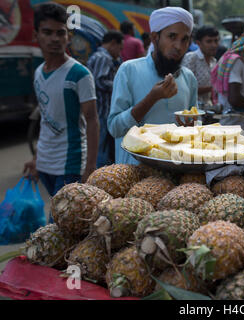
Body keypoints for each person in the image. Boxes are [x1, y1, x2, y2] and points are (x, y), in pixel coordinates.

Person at [23, 3, 99, 219]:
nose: (54, 39)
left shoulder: (79, 74)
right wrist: (36, 158)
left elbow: (92, 121)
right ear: (36, 34)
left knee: (58, 222)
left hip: (71, 164)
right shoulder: (39, 72)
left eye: (60, 33)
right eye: (47, 32)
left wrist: (90, 167)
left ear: (68, 36)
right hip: (45, 162)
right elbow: (46, 119)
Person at [108, 7, 198, 165]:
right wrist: (151, 98)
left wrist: (191, 127)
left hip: (175, 176)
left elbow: (194, 127)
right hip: (134, 175)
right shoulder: (129, 70)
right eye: (172, 36)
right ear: (155, 37)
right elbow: (115, 128)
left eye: (185, 39)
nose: (178, 46)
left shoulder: (189, 78)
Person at [87, 30, 123, 168]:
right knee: (101, 147)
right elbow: (99, 81)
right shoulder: (104, 57)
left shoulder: (97, 55)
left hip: (99, 109)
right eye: (120, 49)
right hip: (101, 110)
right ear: (113, 43)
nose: (119, 53)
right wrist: (118, 85)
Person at [182, 25, 220, 107]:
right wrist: (213, 88)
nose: (214, 45)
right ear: (199, 43)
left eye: (216, 41)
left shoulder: (214, 62)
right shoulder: (191, 58)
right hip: (190, 109)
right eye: (209, 41)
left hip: (207, 108)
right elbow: (185, 88)